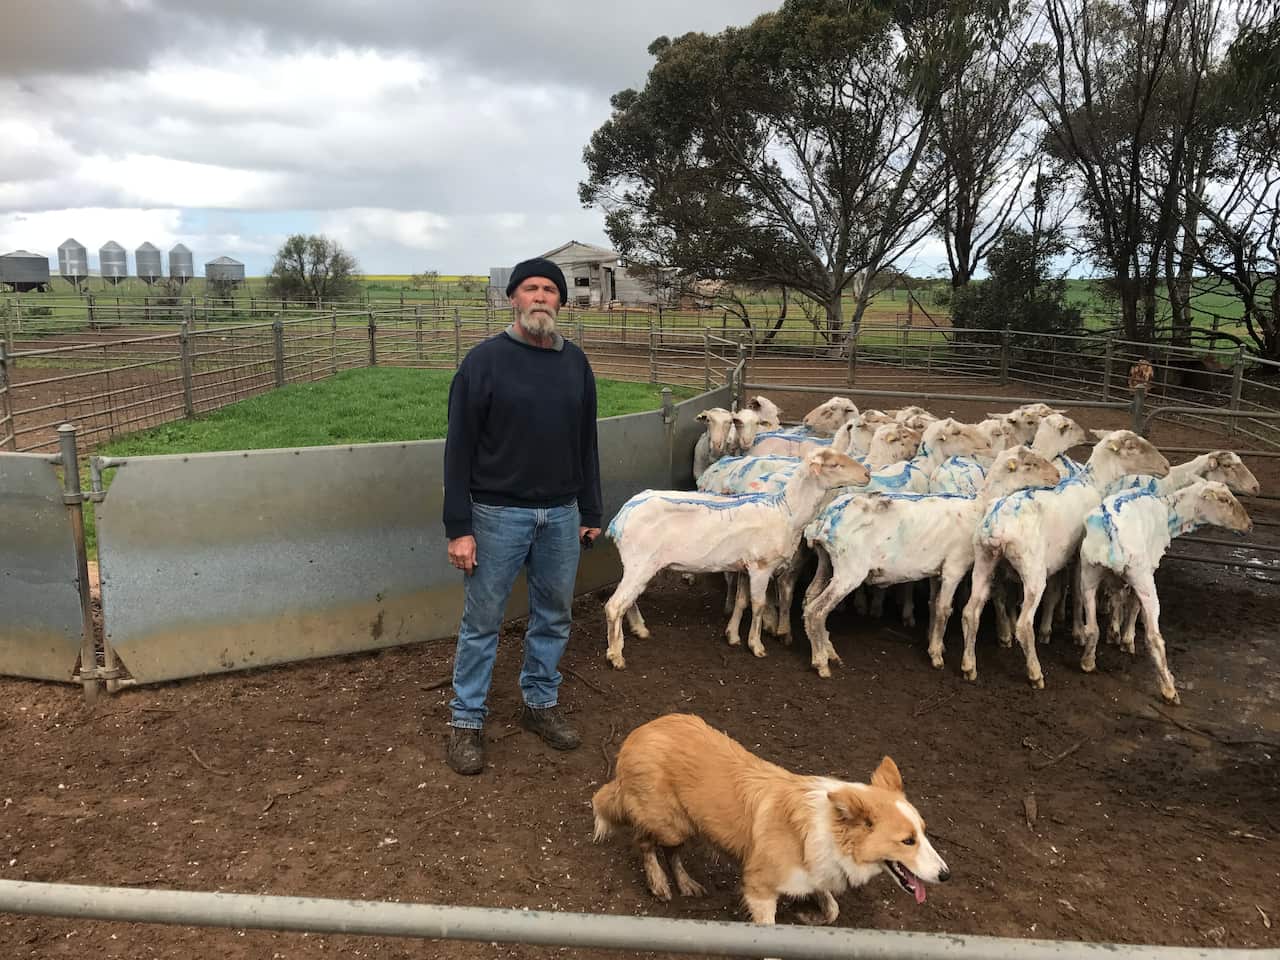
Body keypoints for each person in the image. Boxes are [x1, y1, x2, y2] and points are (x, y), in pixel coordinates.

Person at [441, 257, 603, 775]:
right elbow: (458, 449)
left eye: (549, 290)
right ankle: (466, 720)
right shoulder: (484, 362)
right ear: (512, 298)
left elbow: (586, 443)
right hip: (496, 514)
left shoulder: (575, 363)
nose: (540, 297)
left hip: (560, 513)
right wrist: (459, 526)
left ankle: (539, 705)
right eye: (530, 288)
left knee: (554, 615)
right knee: (483, 622)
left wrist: (590, 509)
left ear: (560, 301)